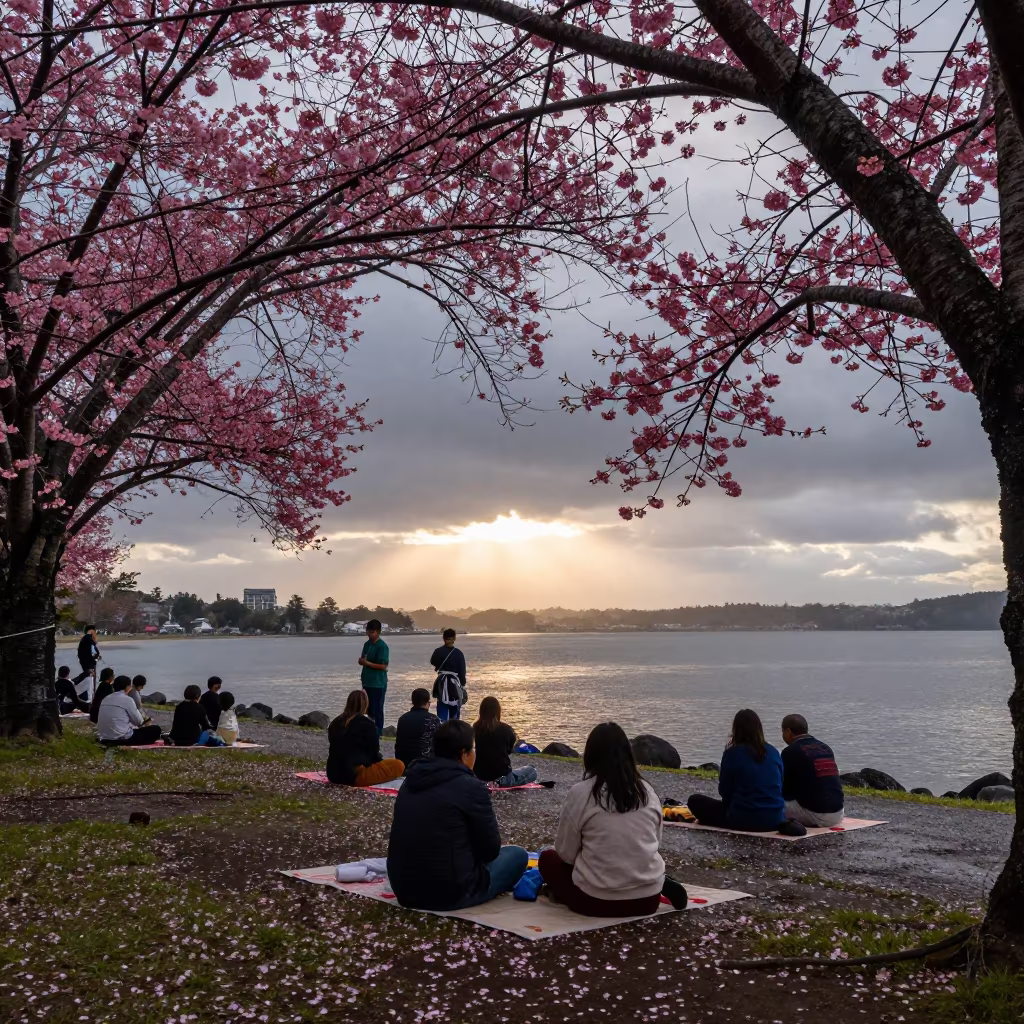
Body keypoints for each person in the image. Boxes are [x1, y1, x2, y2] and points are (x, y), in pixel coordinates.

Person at [539, 722, 687, 916]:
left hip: (595, 901)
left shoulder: (581, 793)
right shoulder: (647, 791)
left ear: (590, 755)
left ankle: (617, 880)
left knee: (547, 859)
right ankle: (656, 881)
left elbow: (566, 854)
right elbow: (654, 843)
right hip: (647, 901)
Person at [387, 720, 529, 911]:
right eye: (474, 749)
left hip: (403, 888)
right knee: (517, 855)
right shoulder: (471, 787)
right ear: (463, 754)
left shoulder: (411, 781)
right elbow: (490, 850)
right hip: (450, 892)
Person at [687, 709, 786, 832]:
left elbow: (725, 791)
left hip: (743, 819)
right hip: (776, 819)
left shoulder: (732, 753)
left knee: (695, 800)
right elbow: (780, 783)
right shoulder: (773, 752)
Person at [326, 689, 403, 786]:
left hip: (332, 773)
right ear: (365, 704)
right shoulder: (367, 724)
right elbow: (373, 754)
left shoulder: (336, 722)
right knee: (399, 765)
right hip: (352, 776)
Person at [781, 714, 845, 827]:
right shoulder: (825, 747)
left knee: (770, 804)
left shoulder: (790, 751)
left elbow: (786, 790)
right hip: (838, 813)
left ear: (788, 732)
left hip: (816, 815)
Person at [472, 696, 538, 788]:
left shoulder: (476, 727)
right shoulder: (506, 729)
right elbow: (509, 750)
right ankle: (499, 782)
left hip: (480, 776)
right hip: (502, 777)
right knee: (532, 770)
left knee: (527, 769)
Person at [96, 675, 163, 746]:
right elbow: (139, 722)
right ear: (127, 687)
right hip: (122, 739)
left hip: (104, 738)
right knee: (156, 729)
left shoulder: (105, 698)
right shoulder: (128, 700)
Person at [394, 688, 440, 771]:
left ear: (413, 702)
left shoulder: (403, 718)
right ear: (428, 702)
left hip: (404, 763)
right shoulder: (433, 719)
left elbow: (398, 744)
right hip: (426, 764)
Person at [359, 619, 389, 736]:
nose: (369, 634)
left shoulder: (382, 647)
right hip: (367, 681)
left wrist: (367, 663)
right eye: (368, 632)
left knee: (377, 709)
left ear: (378, 632)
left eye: (372, 632)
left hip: (378, 683)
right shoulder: (367, 644)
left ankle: (379, 732)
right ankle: (368, 731)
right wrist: (362, 662)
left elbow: (384, 666)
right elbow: (364, 659)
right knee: (367, 708)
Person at [430, 628, 467, 722]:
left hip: (441, 682)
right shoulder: (458, 654)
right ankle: (454, 729)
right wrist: (462, 685)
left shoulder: (437, 651)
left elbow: (433, 661)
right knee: (455, 707)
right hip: (454, 684)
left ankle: (442, 728)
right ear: (454, 638)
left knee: (442, 705)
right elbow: (462, 672)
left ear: (443, 638)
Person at [73, 625, 101, 698]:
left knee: (88, 682)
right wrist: (97, 656)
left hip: (85, 666)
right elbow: (93, 652)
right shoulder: (89, 639)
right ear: (92, 631)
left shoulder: (84, 640)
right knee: (90, 685)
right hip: (89, 667)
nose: (96, 635)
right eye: (95, 632)